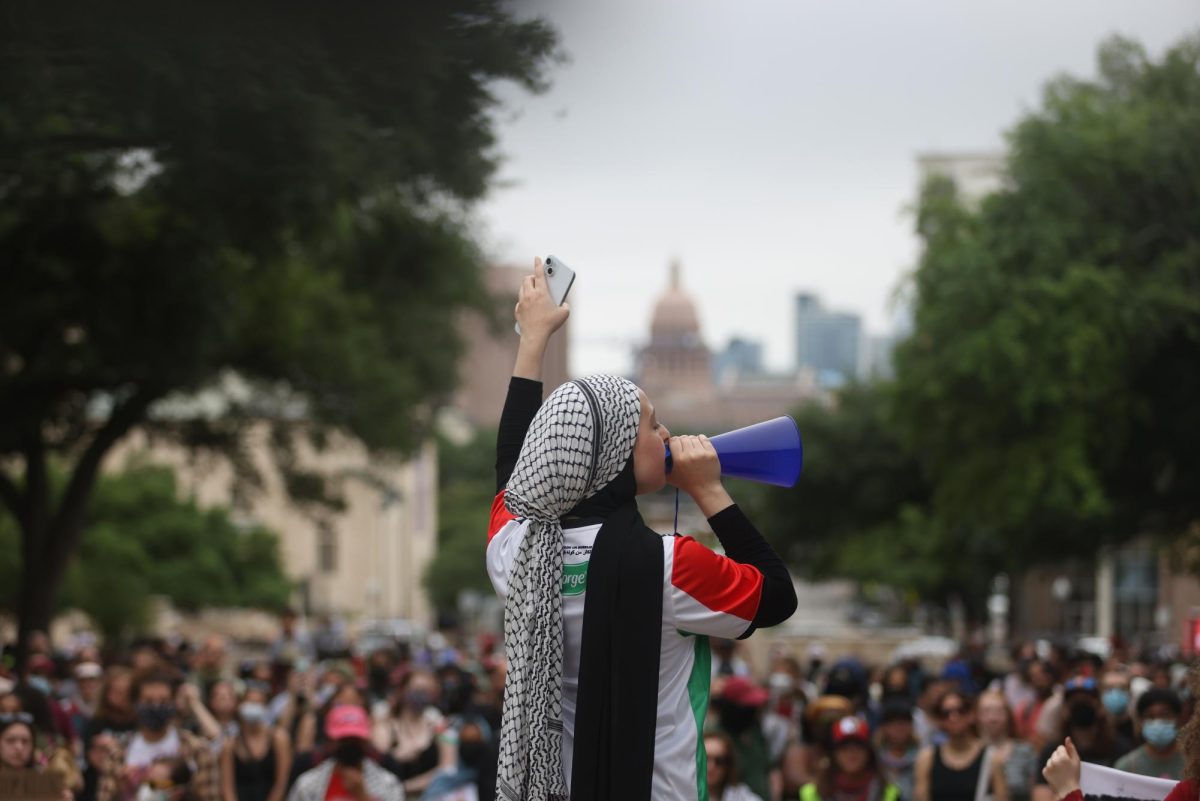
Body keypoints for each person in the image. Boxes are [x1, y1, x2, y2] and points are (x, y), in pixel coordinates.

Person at [485, 259, 798, 801]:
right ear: (613, 456)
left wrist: (531, 341)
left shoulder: (515, 551)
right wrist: (710, 490)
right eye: (652, 425)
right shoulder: (670, 567)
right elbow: (775, 598)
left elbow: (515, 474)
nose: (667, 432)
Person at [96, 671, 220, 801]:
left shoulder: (197, 750)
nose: (156, 706)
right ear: (135, 703)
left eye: (163, 700)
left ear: (173, 702)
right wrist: (121, 790)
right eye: (148, 701)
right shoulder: (117, 754)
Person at [1031, 677, 1132, 801]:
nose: (1080, 705)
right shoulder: (1054, 752)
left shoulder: (1120, 748)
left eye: (1086, 700)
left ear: (1100, 706)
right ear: (1065, 709)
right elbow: (1041, 795)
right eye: (1074, 701)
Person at [286, 705, 404, 801]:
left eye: (355, 739)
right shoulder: (308, 785)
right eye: (344, 740)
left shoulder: (388, 784)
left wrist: (364, 797)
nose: (350, 745)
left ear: (366, 741)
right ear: (330, 741)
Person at [914, 689, 1008, 801]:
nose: (953, 717)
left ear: (971, 715)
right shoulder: (927, 759)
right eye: (946, 713)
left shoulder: (992, 758)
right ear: (939, 720)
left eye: (960, 711)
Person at [371, 669, 444, 795]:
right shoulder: (384, 723)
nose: (421, 694)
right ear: (403, 690)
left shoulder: (439, 724)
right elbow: (379, 761)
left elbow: (446, 769)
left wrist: (403, 788)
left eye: (428, 690)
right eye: (417, 689)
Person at [802, 716, 901, 801]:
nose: (852, 753)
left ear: (869, 753)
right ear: (833, 754)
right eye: (844, 747)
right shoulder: (811, 794)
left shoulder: (890, 794)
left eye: (858, 746)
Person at [220, 684, 292, 801]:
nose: (253, 707)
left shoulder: (278, 738)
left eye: (257, 703)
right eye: (249, 702)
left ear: (265, 707)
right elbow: (227, 788)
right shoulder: (230, 745)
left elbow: (282, 783)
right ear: (240, 706)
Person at [714, 677, 773, 801]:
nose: (754, 710)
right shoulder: (715, 740)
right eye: (748, 706)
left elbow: (770, 768)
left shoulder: (755, 731)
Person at [976, 690, 1038, 801]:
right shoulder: (969, 754)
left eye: (999, 712)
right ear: (976, 716)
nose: (993, 718)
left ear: (1008, 715)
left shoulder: (1025, 751)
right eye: (986, 712)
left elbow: (1036, 791)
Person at [1113, 688, 1185, 779]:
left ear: (1179, 718)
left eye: (1165, 715)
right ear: (1140, 721)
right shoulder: (1127, 767)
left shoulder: (1193, 762)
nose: (1158, 722)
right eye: (1150, 717)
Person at [877, 698, 920, 801]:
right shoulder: (874, 758)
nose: (899, 727)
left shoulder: (923, 757)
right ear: (883, 727)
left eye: (904, 722)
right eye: (893, 722)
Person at [705, 730, 763, 801]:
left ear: (728, 766)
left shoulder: (741, 796)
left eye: (719, 761)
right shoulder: (687, 793)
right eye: (704, 759)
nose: (710, 766)